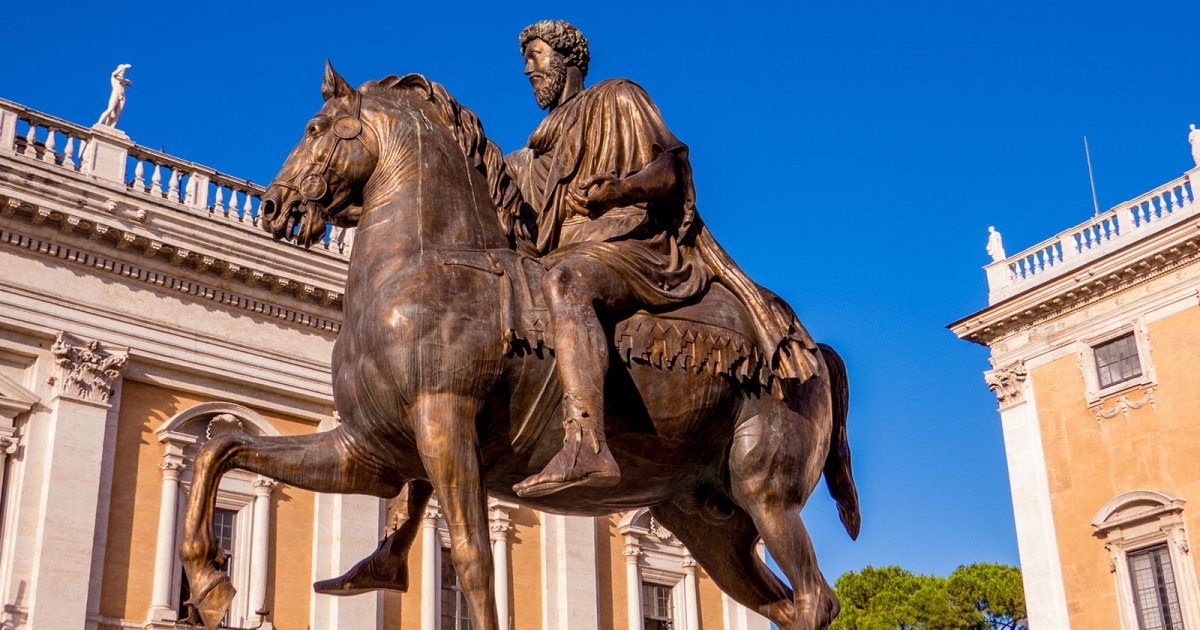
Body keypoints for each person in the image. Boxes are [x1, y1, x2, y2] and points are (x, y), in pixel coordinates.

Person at [507, 20, 819, 499]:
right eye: (525, 58)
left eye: (537, 54)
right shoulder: (530, 154)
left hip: (627, 244)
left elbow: (670, 164)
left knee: (568, 283)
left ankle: (586, 441)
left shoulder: (618, 97)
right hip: (565, 253)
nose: (528, 67)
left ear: (568, 58)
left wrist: (622, 187)